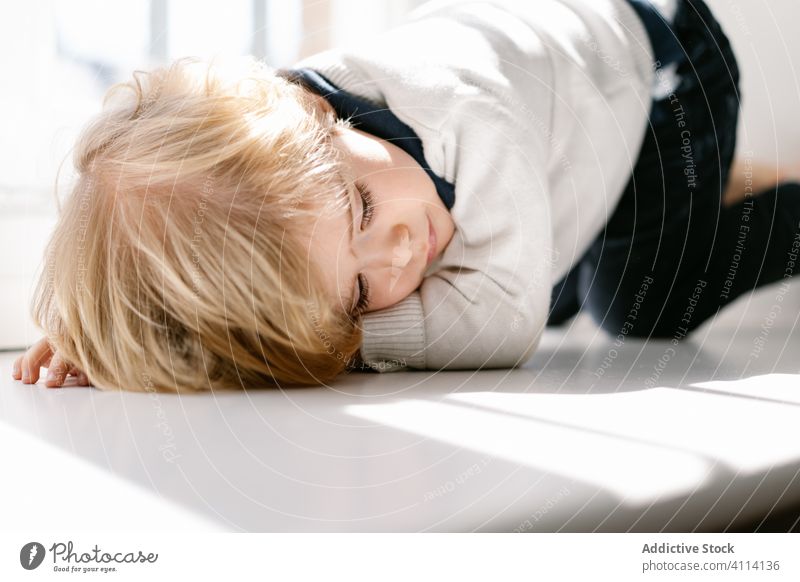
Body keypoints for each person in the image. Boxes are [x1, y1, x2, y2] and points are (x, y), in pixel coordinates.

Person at [11, 0, 800, 392]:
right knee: (536, 273)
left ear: (318, 112)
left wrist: (342, 336)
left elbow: (503, 319)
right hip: (564, 129)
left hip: (666, 69)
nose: (397, 249)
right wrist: (125, 340)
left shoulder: (462, 108)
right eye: (356, 291)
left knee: (637, 304)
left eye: (359, 208)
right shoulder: (287, 168)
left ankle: (750, 201)